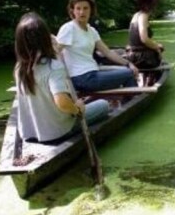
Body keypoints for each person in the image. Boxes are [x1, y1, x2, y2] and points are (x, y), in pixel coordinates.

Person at [14, 12, 109, 144]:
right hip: (57, 131)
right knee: (104, 105)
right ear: (44, 38)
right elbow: (62, 102)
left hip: (29, 133)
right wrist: (78, 109)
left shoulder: (20, 68)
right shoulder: (53, 66)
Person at [56, 0, 139, 92]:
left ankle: (130, 100)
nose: (82, 12)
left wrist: (128, 63)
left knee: (128, 70)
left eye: (85, 8)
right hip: (81, 78)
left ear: (91, 10)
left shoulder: (91, 31)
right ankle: (134, 100)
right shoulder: (69, 28)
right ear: (73, 11)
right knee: (129, 74)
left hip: (93, 72)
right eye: (78, 8)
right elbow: (55, 51)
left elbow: (107, 52)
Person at [126, 0, 164, 85]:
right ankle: (149, 79)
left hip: (132, 55)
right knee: (160, 48)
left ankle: (144, 78)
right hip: (142, 58)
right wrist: (157, 47)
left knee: (157, 48)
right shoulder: (144, 16)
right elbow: (144, 39)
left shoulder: (136, 15)